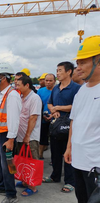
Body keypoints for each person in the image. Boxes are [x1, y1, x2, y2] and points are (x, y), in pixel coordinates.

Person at [64, 35, 100, 203]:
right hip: (78, 161)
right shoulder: (82, 91)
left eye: (83, 62)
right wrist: (69, 147)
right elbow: (74, 121)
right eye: (77, 63)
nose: (78, 68)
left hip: (96, 166)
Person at [43, 61, 81, 193]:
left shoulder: (76, 88)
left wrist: (60, 107)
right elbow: (50, 104)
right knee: (55, 153)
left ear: (69, 71)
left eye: (60, 70)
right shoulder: (55, 88)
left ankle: (70, 182)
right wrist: (53, 110)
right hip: (55, 126)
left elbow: (77, 106)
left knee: (69, 153)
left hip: (69, 127)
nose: (57, 73)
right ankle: (55, 176)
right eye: (57, 70)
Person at [0, 62, 22, 203]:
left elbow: (14, 119)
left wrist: (11, 139)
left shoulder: (12, 95)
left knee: (7, 165)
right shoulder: (1, 94)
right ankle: (2, 185)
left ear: (3, 78)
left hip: (6, 135)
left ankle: (11, 193)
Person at [15, 75, 42, 197]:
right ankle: (25, 181)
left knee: (32, 160)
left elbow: (33, 117)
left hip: (30, 137)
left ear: (27, 85)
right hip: (20, 135)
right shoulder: (20, 97)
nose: (16, 86)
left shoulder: (34, 98)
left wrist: (27, 136)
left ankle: (33, 186)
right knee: (23, 160)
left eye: (19, 84)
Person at [37, 74, 56, 159]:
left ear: (54, 81)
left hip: (55, 118)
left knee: (54, 139)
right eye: (46, 80)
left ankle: (54, 157)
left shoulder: (57, 90)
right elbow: (38, 105)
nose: (48, 82)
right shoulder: (40, 91)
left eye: (50, 81)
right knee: (42, 137)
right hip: (43, 118)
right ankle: (40, 154)